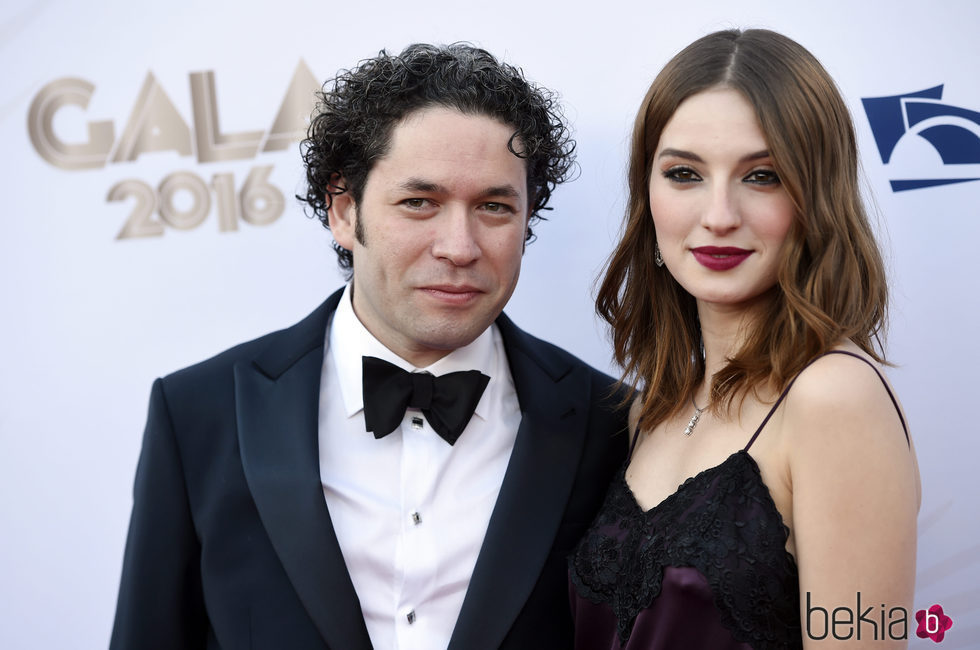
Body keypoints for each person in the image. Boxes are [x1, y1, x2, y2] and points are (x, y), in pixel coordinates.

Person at [110, 43, 628, 650]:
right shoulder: (198, 412)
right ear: (343, 210)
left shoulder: (613, 423)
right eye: (419, 203)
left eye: (493, 206)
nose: (459, 246)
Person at [568, 29, 920, 649]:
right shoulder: (658, 406)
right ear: (646, 196)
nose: (720, 214)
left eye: (762, 176)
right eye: (684, 173)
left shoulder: (833, 397)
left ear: (817, 196)